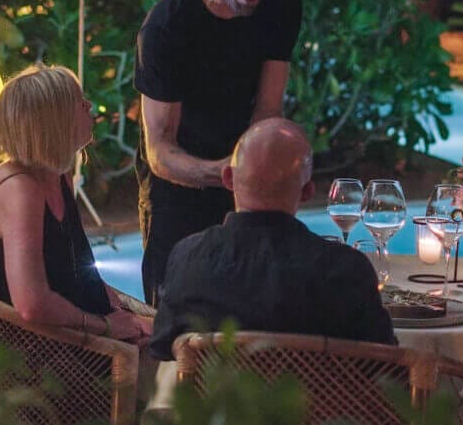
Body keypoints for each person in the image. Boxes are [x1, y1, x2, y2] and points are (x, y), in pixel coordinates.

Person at [134, 0, 304, 303]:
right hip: (177, 187)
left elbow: (267, 110)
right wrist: (232, 173)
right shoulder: (167, 26)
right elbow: (159, 152)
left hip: (244, 185)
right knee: (177, 318)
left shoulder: (281, 7)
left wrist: (267, 175)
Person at [148, 118, 395, 360]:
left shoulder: (188, 258)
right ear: (308, 191)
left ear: (228, 179)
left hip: (216, 401)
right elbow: (386, 366)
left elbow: (162, 348)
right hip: (314, 401)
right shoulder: (346, 270)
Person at [0, 64, 151, 343]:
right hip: (32, 350)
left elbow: (78, 271)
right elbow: (32, 305)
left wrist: (122, 313)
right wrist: (106, 326)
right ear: (55, 121)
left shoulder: (57, 174)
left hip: (72, 331)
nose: (89, 106)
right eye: (79, 103)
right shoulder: (20, 190)